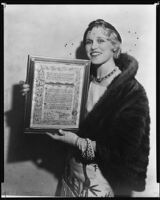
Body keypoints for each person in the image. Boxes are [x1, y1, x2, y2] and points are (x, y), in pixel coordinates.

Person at [19, 19, 150, 197]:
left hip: (102, 183)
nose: (93, 46)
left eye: (100, 40)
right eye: (89, 41)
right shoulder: (80, 80)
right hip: (70, 176)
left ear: (115, 46)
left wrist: (76, 141)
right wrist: (34, 95)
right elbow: (56, 113)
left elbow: (125, 153)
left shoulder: (132, 92)